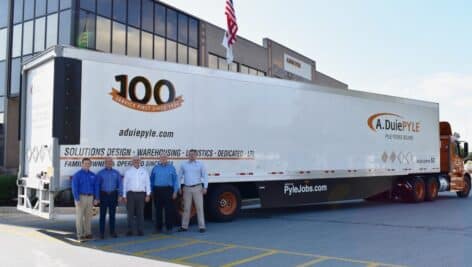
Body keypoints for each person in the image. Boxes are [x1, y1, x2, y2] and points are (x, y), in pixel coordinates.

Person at [178, 149, 208, 233]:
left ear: (196, 155)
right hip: (186, 188)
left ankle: (202, 226)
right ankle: (184, 226)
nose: (191, 156)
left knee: (199, 208)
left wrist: (205, 187)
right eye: (190, 154)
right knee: (186, 208)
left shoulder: (200, 165)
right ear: (188, 155)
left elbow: (205, 176)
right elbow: (179, 177)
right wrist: (179, 187)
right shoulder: (184, 165)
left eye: (193, 154)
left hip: (198, 188)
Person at [150, 153, 180, 233]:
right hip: (157, 190)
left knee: (169, 210)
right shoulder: (155, 168)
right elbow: (152, 180)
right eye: (161, 157)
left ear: (167, 158)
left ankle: (169, 228)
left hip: (168, 190)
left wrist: (175, 192)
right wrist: (151, 191)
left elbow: (175, 181)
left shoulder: (172, 168)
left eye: (165, 157)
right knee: (158, 210)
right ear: (159, 159)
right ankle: (158, 228)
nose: (163, 159)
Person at [71, 158, 99, 241]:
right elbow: (74, 188)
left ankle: (88, 233)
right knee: (79, 217)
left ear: (90, 165)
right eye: (85, 163)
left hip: (90, 198)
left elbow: (96, 187)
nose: (87, 165)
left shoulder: (93, 175)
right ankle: (80, 234)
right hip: (81, 197)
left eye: (88, 163)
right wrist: (77, 199)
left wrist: (96, 198)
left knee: (88, 217)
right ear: (82, 164)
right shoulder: (77, 175)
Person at [122, 156, 151, 236]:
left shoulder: (144, 171)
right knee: (130, 213)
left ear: (140, 161)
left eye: (137, 160)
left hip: (141, 194)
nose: (136, 161)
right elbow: (124, 184)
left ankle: (140, 230)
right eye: (134, 160)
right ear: (132, 161)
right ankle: (130, 230)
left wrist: (148, 195)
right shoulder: (128, 172)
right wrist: (124, 196)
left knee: (140, 213)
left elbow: (148, 184)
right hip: (130, 194)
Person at [96, 157, 122, 239]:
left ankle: (112, 232)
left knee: (112, 215)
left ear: (112, 163)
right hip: (103, 195)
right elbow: (97, 186)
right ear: (105, 163)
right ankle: (102, 233)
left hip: (113, 195)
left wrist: (120, 195)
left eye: (110, 162)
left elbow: (120, 184)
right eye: (107, 162)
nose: (109, 163)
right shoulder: (100, 173)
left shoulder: (116, 173)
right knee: (102, 215)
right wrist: (97, 197)